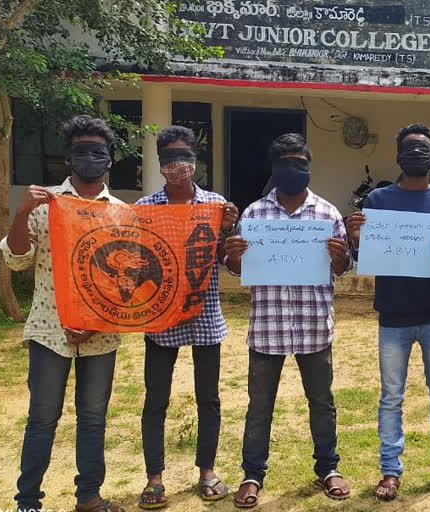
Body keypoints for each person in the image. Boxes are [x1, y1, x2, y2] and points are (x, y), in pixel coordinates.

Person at [1, 115, 125, 512]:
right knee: (42, 417)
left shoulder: (121, 212)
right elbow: (18, 260)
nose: (90, 159)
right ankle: (28, 501)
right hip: (48, 330)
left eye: (98, 152)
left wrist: (95, 322)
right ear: (68, 159)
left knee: (93, 418)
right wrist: (20, 214)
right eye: (80, 152)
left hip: (100, 334)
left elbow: (126, 281)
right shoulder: (43, 204)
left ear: (109, 160)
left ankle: (88, 497)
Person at [224, 133, 353, 509]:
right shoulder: (254, 215)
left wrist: (339, 257)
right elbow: (237, 268)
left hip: (314, 326)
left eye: (300, 163)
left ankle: (328, 468)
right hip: (268, 328)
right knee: (259, 406)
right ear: (275, 169)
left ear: (309, 167)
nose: (294, 170)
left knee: (322, 403)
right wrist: (232, 255)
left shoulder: (327, 214)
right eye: (286, 164)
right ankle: (252, 475)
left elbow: (343, 270)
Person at [346, 123, 430, 501]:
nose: (418, 153)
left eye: (424, 147)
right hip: (394, 315)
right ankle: (389, 470)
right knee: (391, 395)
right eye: (411, 147)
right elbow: (362, 256)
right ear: (399, 155)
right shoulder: (378, 201)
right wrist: (355, 239)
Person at [134, 126, 238, 508]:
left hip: (205, 312)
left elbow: (229, 260)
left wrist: (229, 229)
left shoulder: (216, 205)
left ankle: (207, 471)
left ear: (196, 161)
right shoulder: (144, 209)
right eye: (169, 158)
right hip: (160, 316)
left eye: (184, 156)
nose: (177, 165)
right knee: (155, 400)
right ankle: (154, 478)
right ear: (160, 164)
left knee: (208, 398)